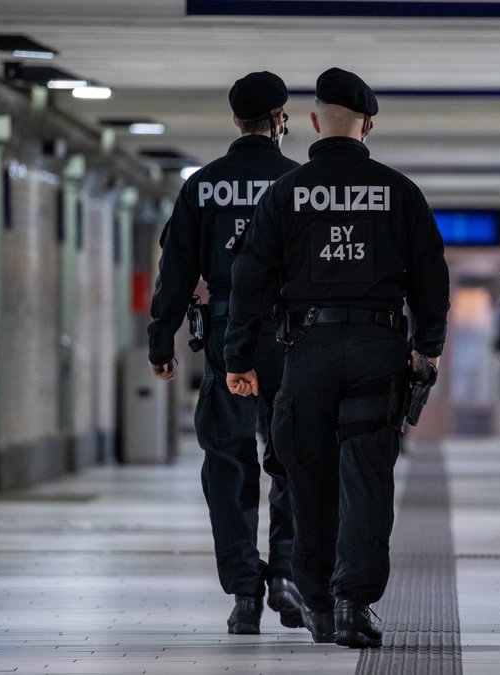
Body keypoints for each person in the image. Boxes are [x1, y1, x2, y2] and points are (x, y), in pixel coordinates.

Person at [224, 67, 450, 650]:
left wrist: (239, 355)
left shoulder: (284, 193)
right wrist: (427, 347)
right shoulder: (400, 192)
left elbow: (250, 279)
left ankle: (319, 604)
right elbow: (430, 276)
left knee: (310, 481)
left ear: (315, 122)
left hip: (307, 352)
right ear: (368, 125)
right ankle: (354, 605)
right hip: (379, 349)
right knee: (367, 481)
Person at [146, 71, 304, 635]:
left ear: (235, 120)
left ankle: (244, 592)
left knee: (228, 463)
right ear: (280, 119)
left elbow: (176, 273)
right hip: (289, 338)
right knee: (291, 458)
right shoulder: (298, 182)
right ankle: (286, 573)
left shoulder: (203, 186)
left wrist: (160, 342)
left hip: (223, 337)